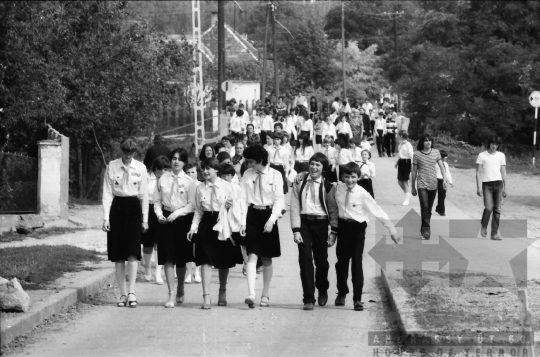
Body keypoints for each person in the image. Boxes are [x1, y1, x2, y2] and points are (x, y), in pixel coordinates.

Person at [326, 162, 400, 311]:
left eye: (353, 177)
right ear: (342, 177)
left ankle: (357, 299)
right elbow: (327, 193)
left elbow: (377, 211)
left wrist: (391, 228)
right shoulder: (337, 188)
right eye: (347, 177)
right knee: (341, 263)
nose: (350, 180)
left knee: (356, 263)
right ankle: (342, 292)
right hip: (343, 228)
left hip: (358, 230)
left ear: (358, 177)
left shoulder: (363, 194)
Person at [187, 158, 241, 309]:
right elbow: (198, 211)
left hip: (222, 223)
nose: (204, 171)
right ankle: (206, 296)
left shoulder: (227, 186)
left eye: (208, 168)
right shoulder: (199, 188)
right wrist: (193, 228)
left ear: (216, 170)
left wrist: (230, 207)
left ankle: (222, 291)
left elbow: (236, 208)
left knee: (223, 260)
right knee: (205, 259)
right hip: (206, 223)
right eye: (203, 168)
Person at [102, 137, 149, 308]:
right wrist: (106, 218)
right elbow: (107, 193)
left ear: (135, 152)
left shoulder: (141, 168)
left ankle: (132, 291)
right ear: (121, 151)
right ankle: (122, 293)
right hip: (118, 207)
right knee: (118, 253)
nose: (128, 155)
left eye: (131, 153)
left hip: (134, 207)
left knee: (133, 251)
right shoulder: (112, 166)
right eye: (126, 152)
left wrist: (145, 219)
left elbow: (144, 196)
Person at [290, 153, 337, 310]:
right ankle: (308, 298)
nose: (314, 167)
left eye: (318, 164)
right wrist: (296, 230)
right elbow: (295, 206)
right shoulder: (300, 181)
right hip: (304, 224)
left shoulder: (328, 186)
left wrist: (333, 232)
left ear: (323, 168)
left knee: (321, 261)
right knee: (305, 259)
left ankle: (322, 288)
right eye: (312, 163)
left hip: (321, 224)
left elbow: (333, 210)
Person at [239, 145, 285, 308]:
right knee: (251, 255)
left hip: (268, 214)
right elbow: (243, 199)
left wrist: (272, 220)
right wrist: (243, 222)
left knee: (266, 257)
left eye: (250, 160)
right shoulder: (247, 174)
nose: (248, 163)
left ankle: (265, 294)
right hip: (252, 215)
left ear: (259, 160)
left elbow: (279, 200)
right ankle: (251, 293)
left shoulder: (276, 175)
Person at [153, 148, 196, 308]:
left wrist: (177, 213)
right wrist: (159, 215)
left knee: (181, 259)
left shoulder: (189, 181)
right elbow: (156, 200)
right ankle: (171, 293)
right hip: (166, 219)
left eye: (179, 159)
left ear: (184, 162)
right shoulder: (163, 179)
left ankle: (180, 287)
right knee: (168, 257)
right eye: (173, 158)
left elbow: (192, 205)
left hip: (182, 219)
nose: (175, 161)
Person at [411, 133, 448, 240]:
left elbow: (442, 167)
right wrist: (413, 187)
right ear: (422, 142)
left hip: (433, 183)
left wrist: (444, 180)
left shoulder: (436, 152)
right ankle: (427, 228)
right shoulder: (417, 154)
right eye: (426, 140)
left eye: (430, 141)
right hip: (421, 183)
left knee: (429, 208)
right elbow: (414, 171)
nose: (428, 142)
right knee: (424, 206)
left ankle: (424, 227)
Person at [142, 156, 170, 285]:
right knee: (147, 243)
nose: (163, 171)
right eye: (161, 169)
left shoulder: (169, 179)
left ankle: (158, 273)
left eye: (166, 169)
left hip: (162, 210)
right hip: (148, 209)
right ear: (155, 168)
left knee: (158, 243)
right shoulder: (147, 177)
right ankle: (147, 268)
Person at [476, 136, 506, 240]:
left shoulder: (501, 155)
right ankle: (484, 225)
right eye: (493, 143)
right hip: (487, 184)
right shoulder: (482, 155)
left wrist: (505, 186)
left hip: (498, 184)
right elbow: (478, 171)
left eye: (497, 144)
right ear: (489, 143)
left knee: (497, 209)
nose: (494, 146)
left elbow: (503, 171)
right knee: (489, 208)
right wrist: (478, 186)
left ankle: (494, 233)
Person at [184, 163, 202, 284]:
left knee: (199, 245)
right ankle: (188, 272)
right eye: (188, 172)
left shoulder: (201, 185)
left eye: (193, 172)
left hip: (199, 216)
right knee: (188, 245)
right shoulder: (184, 184)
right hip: (187, 215)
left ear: (197, 173)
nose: (190, 174)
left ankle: (197, 271)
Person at [395, 131, 414, 206]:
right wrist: (397, 163)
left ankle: (407, 199)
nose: (398, 137)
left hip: (407, 162)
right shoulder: (401, 144)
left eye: (399, 136)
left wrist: (412, 166)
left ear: (402, 136)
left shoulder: (408, 145)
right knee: (399, 182)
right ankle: (407, 194)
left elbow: (411, 155)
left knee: (405, 181)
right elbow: (400, 155)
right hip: (401, 162)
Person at [435, 150, 454, 216]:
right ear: (441, 157)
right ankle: (441, 211)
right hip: (436, 180)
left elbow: (447, 173)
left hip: (443, 180)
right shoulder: (436, 164)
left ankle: (438, 208)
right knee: (440, 195)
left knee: (443, 195)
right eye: (445, 157)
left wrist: (450, 181)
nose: (446, 158)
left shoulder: (446, 164)